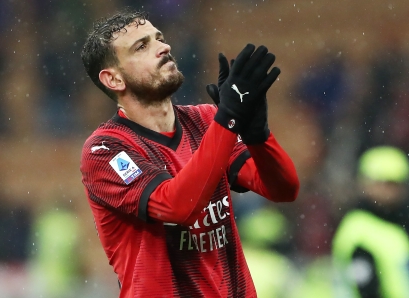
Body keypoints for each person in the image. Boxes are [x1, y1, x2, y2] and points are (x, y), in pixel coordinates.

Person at [79, 10, 300, 298]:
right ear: (114, 79)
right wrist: (229, 119)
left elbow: (283, 188)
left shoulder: (206, 120)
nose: (164, 47)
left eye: (159, 38)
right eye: (142, 46)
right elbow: (177, 206)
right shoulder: (105, 150)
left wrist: (258, 135)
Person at [331, 146, 409, 298]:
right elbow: (365, 289)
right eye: (385, 183)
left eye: (397, 184)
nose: (391, 192)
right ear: (365, 184)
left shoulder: (390, 225)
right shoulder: (359, 229)